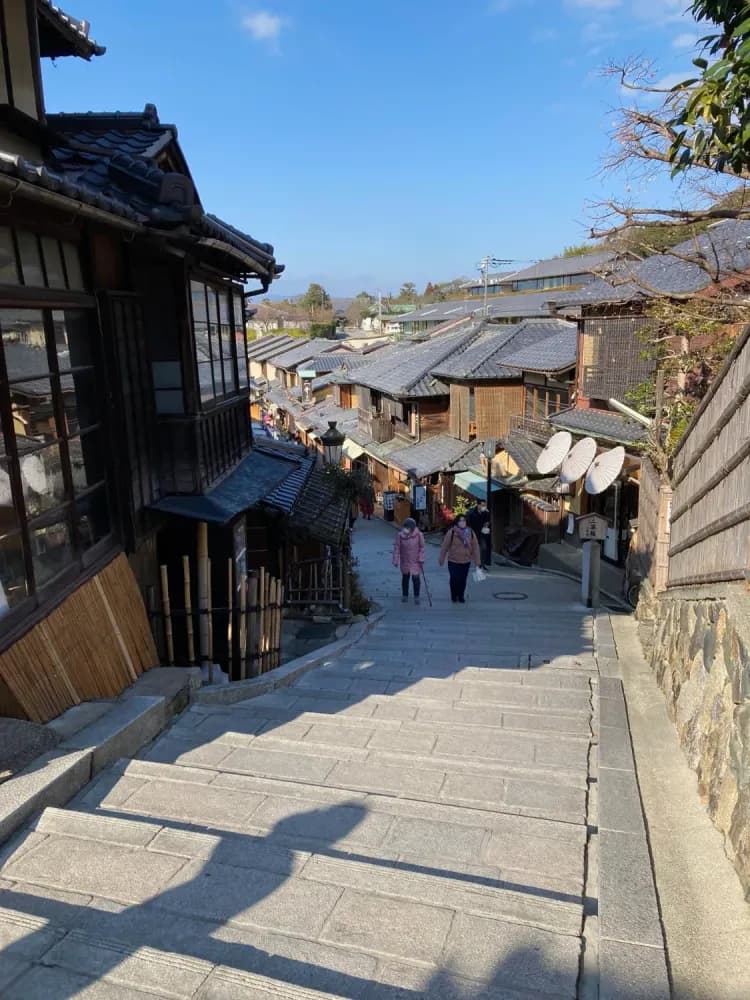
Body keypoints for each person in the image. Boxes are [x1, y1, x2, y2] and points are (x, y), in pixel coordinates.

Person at [438, 515, 480, 603]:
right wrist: (441, 559)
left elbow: (475, 547)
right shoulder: (452, 532)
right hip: (453, 560)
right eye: (460, 521)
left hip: (466, 560)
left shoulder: (470, 532)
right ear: (457, 522)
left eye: (464, 520)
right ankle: (454, 595)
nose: (462, 522)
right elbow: (445, 546)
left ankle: (461, 595)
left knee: (462, 579)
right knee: (454, 578)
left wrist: (477, 562)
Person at [392, 517, 425, 604]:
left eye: (409, 527)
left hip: (415, 561)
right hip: (405, 561)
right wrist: (395, 560)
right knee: (405, 578)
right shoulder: (400, 535)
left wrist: (421, 558)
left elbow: (422, 548)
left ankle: (416, 596)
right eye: (405, 527)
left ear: (413, 528)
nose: (407, 529)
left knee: (416, 579)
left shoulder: (419, 535)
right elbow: (397, 548)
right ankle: (405, 595)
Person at [467, 500, 492, 569]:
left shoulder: (486, 513)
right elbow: (467, 523)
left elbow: (488, 521)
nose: (483, 507)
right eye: (482, 505)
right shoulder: (471, 512)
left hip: (482, 533)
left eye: (484, 505)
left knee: (483, 548)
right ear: (478, 505)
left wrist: (487, 524)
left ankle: (482, 564)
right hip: (473, 532)